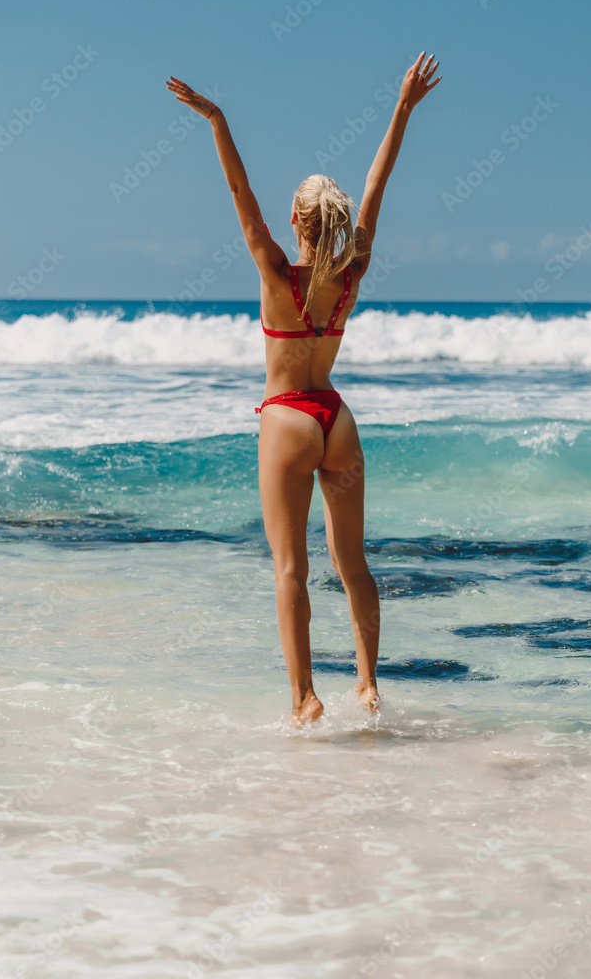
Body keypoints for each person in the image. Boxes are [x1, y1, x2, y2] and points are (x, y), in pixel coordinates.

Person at [166, 52, 442, 724]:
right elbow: (379, 183)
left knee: (291, 569)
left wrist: (216, 119)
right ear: (336, 222)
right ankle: (369, 683)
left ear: (295, 221)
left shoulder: (273, 270)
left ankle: (304, 698)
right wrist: (403, 107)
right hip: (336, 419)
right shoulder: (352, 273)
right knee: (354, 564)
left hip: (288, 417)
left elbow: (239, 194)